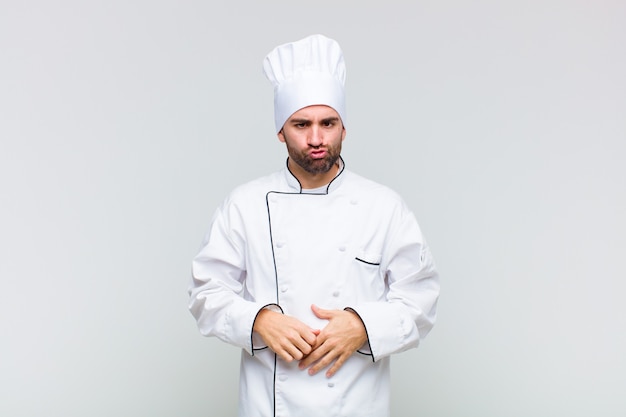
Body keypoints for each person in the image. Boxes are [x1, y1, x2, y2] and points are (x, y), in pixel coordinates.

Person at [188, 34, 439, 417]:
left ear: (344, 127)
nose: (317, 138)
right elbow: (205, 294)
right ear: (280, 131)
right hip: (268, 406)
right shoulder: (244, 205)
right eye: (301, 125)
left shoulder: (384, 207)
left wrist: (362, 325)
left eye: (328, 123)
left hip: (356, 404)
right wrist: (260, 320)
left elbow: (420, 300)